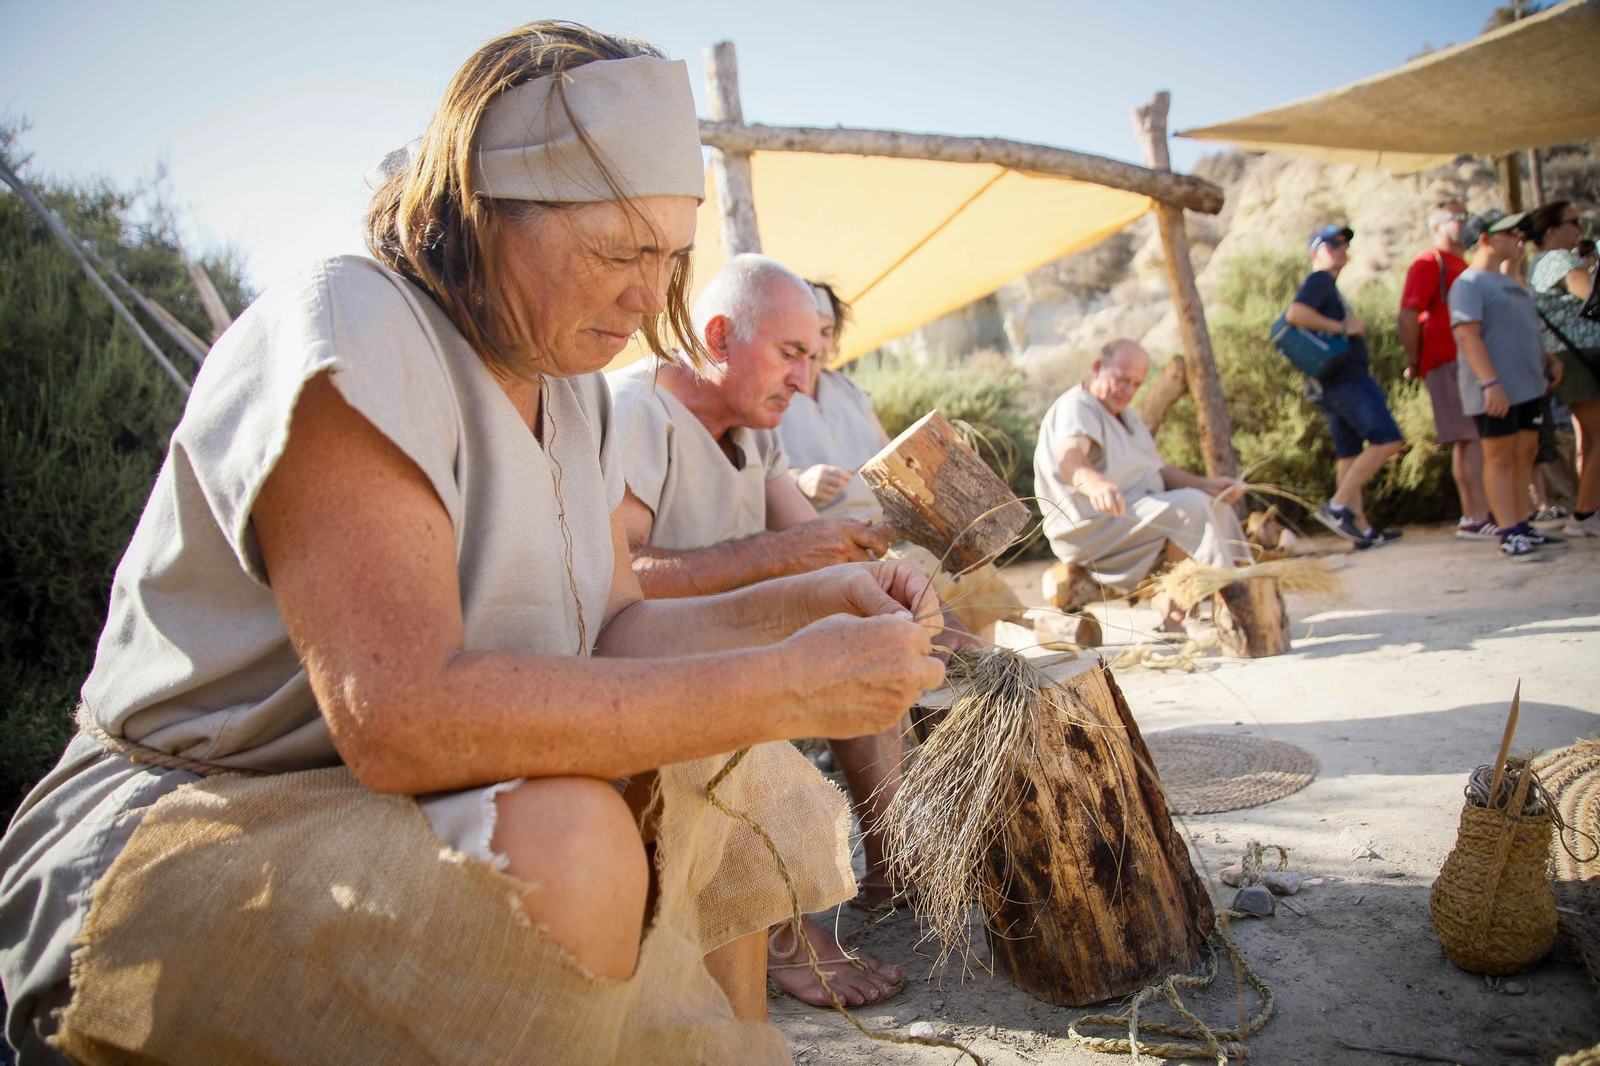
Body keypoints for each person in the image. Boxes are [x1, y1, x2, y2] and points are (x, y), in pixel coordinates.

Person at [0, 25, 946, 1065]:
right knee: (573, 840)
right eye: (617, 250)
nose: (647, 296)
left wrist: (819, 609)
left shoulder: (573, 384)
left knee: (735, 760)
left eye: (671, 258)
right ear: (480, 210)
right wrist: (785, 685)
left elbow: (621, 624)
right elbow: (401, 719)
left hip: (391, 803)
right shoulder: (352, 321)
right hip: (205, 821)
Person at [608, 255, 934, 1010]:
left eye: (813, 359)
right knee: (751, 681)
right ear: (719, 336)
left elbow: (809, 544)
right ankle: (782, 932)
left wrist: (886, 590)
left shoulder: (756, 431)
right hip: (641, 666)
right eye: (791, 354)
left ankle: (892, 860)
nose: (803, 377)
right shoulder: (636, 412)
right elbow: (611, 577)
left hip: (737, 638)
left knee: (857, 623)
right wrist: (786, 557)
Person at [1033, 340, 1249, 632]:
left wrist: (1208, 485)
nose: (1128, 390)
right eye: (1122, 380)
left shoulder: (1127, 416)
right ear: (1097, 368)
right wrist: (1096, 486)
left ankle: (1242, 596)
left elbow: (1157, 470)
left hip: (1132, 515)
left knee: (1211, 502)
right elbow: (1070, 458)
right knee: (1191, 507)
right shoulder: (1078, 406)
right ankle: (1184, 614)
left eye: (1136, 384)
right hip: (1092, 527)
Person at [1450, 210, 1568, 561]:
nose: (1518, 236)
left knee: (1524, 455)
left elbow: (1519, 329)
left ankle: (1521, 522)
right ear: (1484, 239)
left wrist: (1547, 358)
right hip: (1496, 389)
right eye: (1508, 232)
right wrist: (1491, 384)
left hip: (1527, 385)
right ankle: (1508, 531)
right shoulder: (1469, 284)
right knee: (1500, 458)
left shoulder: (1510, 281)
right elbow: (1468, 336)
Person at [1287, 224, 1405, 548]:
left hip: (1329, 383)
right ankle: (1338, 507)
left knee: (1348, 455)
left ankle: (1361, 530)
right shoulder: (1320, 279)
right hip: (1345, 380)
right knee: (1388, 440)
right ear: (1316, 252)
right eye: (1333, 244)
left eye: (1343, 243)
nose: (1341, 248)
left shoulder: (1327, 284)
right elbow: (1295, 313)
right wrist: (1343, 327)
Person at [1400, 202, 1497, 539]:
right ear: (1437, 227)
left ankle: (1481, 513)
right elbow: (1408, 314)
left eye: (1467, 216)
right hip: (1447, 360)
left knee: (1473, 436)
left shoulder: (1462, 264)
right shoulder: (1430, 262)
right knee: (1469, 436)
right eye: (1457, 217)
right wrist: (1415, 360)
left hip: (1469, 360)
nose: (1465, 222)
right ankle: (1476, 515)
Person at [780, 282, 890, 521]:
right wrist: (800, 480)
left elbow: (887, 446)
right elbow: (754, 478)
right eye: (807, 329)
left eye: (826, 332)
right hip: (825, 540)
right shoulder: (767, 395)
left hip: (889, 527)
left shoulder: (848, 389)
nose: (816, 345)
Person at [1528, 200, 1600, 537]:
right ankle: (1584, 515)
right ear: (1552, 231)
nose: (1580, 227)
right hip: (1579, 357)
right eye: (1573, 221)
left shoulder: (1539, 263)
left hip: (1572, 357)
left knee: (1590, 435)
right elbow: (1591, 298)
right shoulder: (1560, 260)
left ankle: (1588, 509)